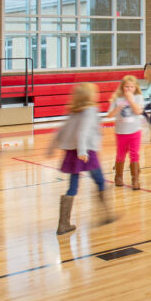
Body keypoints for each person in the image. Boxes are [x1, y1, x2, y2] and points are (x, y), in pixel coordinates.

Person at [53, 82, 114, 234]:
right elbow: (83, 132)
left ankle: (63, 224)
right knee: (100, 181)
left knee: (73, 186)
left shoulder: (74, 110)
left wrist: (52, 145)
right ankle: (106, 214)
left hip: (74, 152)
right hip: (86, 152)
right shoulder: (90, 110)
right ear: (89, 95)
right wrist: (83, 151)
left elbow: (62, 130)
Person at [108, 74, 146, 191]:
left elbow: (139, 111)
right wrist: (120, 105)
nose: (129, 89)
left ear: (135, 88)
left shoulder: (138, 97)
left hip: (134, 131)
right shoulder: (117, 99)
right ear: (122, 87)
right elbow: (110, 114)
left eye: (131, 87)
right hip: (121, 132)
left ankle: (135, 179)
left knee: (134, 154)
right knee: (120, 154)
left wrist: (131, 101)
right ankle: (118, 177)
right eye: (126, 87)